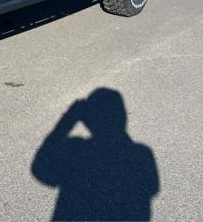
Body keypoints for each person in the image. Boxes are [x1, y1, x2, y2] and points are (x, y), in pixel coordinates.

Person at [32, 88, 159, 221]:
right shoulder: (142, 154)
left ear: (88, 119)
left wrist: (67, 121)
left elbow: (40, 169)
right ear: (122, 117)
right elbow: (152, 189)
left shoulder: (76, 150)